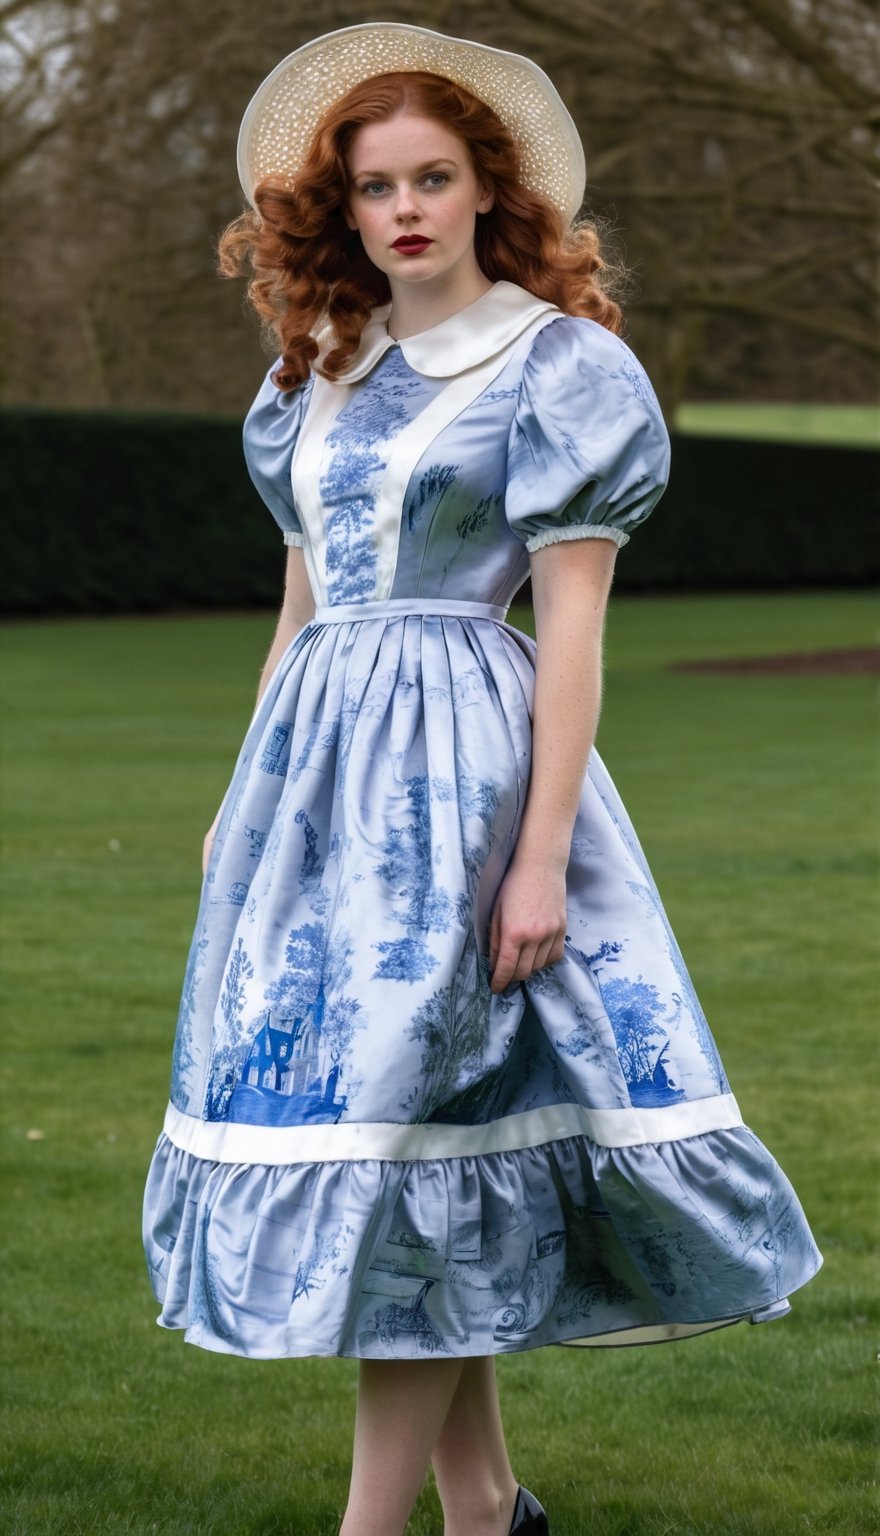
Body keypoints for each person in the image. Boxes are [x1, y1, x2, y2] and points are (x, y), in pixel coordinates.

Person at [142, 22, 821, 1536]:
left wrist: (536, 856)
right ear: (341, 206)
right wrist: (241, 802)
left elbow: (571, 633)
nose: (405, 209)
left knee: (401, 1136)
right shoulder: (316, 369)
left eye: (433, 176)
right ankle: (489, 1512)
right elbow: (305, 599)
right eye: (376, 184)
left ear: (485, 186)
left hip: (464, 776)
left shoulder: (563, 365)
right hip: (315, 790)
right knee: (402, 1137)